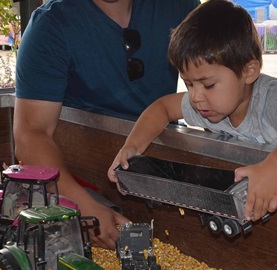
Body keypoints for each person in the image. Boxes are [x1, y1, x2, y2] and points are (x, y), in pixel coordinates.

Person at [107, 0, 277, 223]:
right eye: (189, 84)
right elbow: (161, 108)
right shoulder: (207, 106)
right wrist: (133, 146)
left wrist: (273, 168)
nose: (197, 97)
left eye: (208, 85)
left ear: (249, 71)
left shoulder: (267, 98)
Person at [13, 0, 198, 250]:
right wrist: (82, 204)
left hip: (161, 172)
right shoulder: (51, 25)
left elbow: (222, 85)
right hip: (86, 180)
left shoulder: (180, 7)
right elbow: (30, 135)